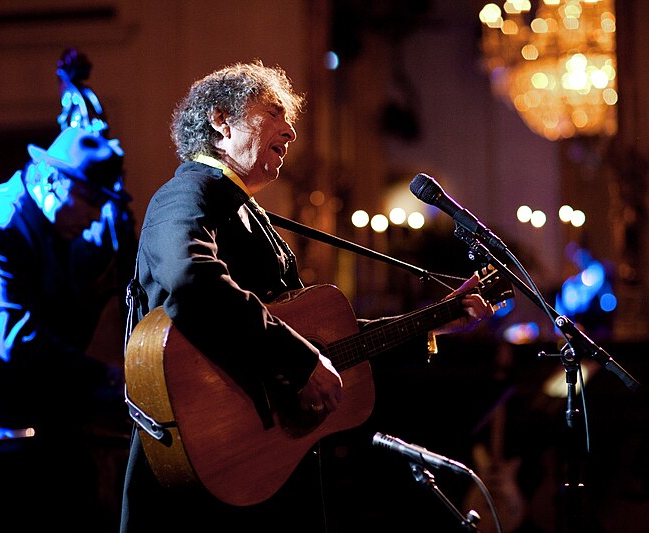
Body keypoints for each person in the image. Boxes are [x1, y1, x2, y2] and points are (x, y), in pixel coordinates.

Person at [119, 60, 495, 533]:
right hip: (203, 466)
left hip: (261, 465)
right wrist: (297, 363)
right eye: (275, 112)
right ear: (220, 120)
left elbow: (320, 342)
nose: (291, 132)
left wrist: (430, 322)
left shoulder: (244, 209)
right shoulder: (187, 194)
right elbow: (191, 280)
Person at [0, 125, 134, 532]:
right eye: (90, 202)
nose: (95, 218)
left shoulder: (48, 225)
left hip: (29, 434)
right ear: (51, 180)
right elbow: (18, 343)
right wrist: (110, 379)